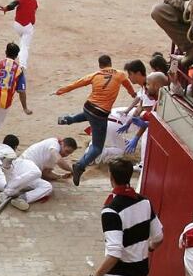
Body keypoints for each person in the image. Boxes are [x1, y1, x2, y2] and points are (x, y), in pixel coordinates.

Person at [77, 159, 163, 276]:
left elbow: (114, 254)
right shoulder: (145, 202)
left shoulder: (111, 210)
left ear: (111, 177)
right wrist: (147, 248)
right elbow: (159, 237)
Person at [55, 54, 136, 186]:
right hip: (100, 114)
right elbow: (127, 84)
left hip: (89, 106)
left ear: (100, 66)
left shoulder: (95, 75)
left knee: (88, 114)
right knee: (97, 148)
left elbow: (78, 83)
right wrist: (132, 94)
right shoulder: (120, 74)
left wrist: (62, 90)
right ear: (110, 63)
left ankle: (67, 119)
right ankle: (80, 166)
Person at [0, 0, 38, 70]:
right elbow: (35, 8)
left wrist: (6, 8)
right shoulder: (34, 0)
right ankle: (22, 64)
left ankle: (18, 58)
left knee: (22, 42)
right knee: (25, 46)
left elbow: (13, 4)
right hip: (27, 27)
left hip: (17, 26)